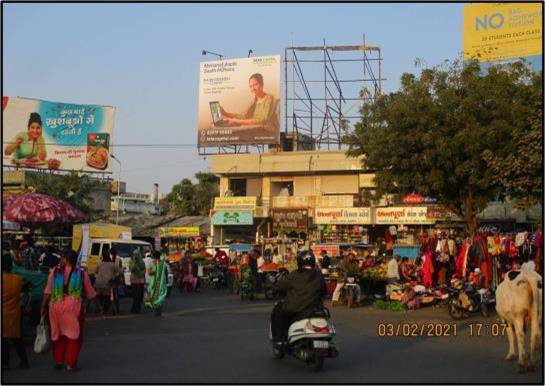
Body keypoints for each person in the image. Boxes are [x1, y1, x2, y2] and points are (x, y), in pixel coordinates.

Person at [40, 249, 101, 371]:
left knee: (58, 335)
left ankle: (58, 361)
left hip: (55, 306)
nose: (60, 260)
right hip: (73, 307)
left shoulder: (54, 271)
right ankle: (70, 364)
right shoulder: (81, 273)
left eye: (62, 258)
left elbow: (47, 291)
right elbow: (90, 292)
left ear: (66, 259)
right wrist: (98, 306)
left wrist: (42, 307)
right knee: (74, 336)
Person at [270, 251, 327, 343]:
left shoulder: (294, 274)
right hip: (315, 309)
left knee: (278, 311)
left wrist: (274, 288)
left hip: (295, 308)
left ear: (299, 262)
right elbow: (324, 292)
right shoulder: (319, 275)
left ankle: (279, 339)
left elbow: (279, 286)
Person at [2, 254, 30, 370]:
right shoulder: (18, 279)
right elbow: (26, 290)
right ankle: (24, 361)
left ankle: (5, 363)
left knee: (3, 340)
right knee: (16, 338)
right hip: (14, 312)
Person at [145, 251, 168, 316]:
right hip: (162, 282)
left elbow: (149, 273)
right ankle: (159, 311)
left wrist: (155, 272)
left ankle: (156, 311)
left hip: (154, 282)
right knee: (160, 296)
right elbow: (166, 272)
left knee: (154, 296)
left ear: (153, 256)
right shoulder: (163, 263)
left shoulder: (152, 263)